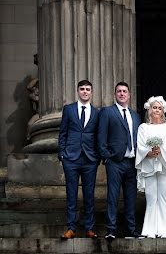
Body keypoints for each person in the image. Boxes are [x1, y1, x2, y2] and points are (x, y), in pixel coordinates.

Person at [97, 81, 142, 239]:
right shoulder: (107, 112)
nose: (122, 94)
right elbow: (101, 137)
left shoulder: (135, 116)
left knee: (131, 197)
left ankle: (130, 230)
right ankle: (111, 230)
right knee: (113, 196)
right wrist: (107, 157)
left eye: (124, 91)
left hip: (132, 162)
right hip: (115, 162)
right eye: (119, 91)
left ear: (129, 95)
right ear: (115, 94)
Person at [58, 79, 101, 239]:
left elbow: (98, 136)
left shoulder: (97, 113)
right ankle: (71, 228)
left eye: (87, 89)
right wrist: (62, 153)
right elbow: (63, 132)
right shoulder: (68, 109)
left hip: (90, 159)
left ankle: (89, 228)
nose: (84, 91)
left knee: (89, 194)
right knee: (71, 194)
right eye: (82, 89)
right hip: (71, 158)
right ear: (77, 91)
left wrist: (97, 156)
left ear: (91, 92)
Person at [135, 96, 166, 238]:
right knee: (151, 197)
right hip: (149, 165)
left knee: (163, 197)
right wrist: (148, 152)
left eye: (159, 108)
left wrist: (162, 150)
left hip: (164, 165)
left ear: (163, 111)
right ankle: (149, 230)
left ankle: (165, 231)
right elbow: (140, 145)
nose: (156, 110)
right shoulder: (143, 127)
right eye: (154, 107)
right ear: (149, 110)